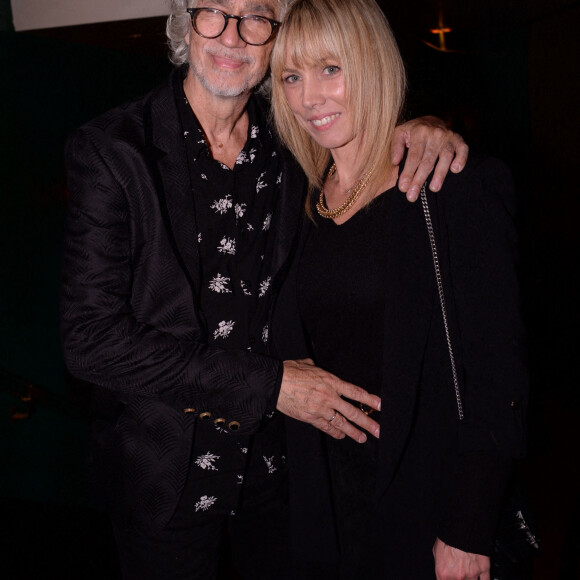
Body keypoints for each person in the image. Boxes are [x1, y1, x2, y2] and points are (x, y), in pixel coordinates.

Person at [60, 0, 469, 578]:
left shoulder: (297, 145)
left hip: (286, 480)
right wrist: (273, 385)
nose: (232, 36)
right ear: (185, 20)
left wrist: (424, 129)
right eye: (212, 11)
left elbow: (362, 135)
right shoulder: (112, 151)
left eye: (256, 16)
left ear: (279, 36)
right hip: (166, 484)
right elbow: (90, 340)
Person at [269, 0, 529, 578]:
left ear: (372, 62)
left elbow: (498, 372)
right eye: (291, 76)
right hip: (321, 512)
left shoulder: (451, 187)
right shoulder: (295, 195)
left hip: (427, 507)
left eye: (330, 68)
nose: (309, 97)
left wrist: (469, 526)